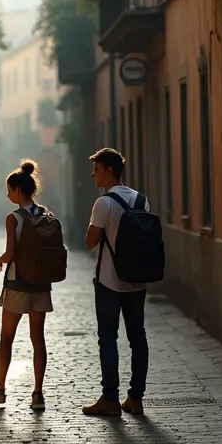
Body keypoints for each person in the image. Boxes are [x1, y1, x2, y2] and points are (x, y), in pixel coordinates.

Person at [82, 148, 150, 417]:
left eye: (96, 169)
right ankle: (136, 398)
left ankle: (110, 398)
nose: (93, 174)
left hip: (109, 281)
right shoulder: (141, 201)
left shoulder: (104, 203)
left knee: (108, 338)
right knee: (138, 338)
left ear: (109, 170)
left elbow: (89, 241)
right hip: (137, 281)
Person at [0, 159, 52, 411]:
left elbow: (10, 253)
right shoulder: (45, 214)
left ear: (18, 191)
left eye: (9, 190)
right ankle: (38, 394)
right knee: (38, 339)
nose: (7, 194)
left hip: (18, 283)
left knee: (6, 337)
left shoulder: (14, 218)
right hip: (42, 284)